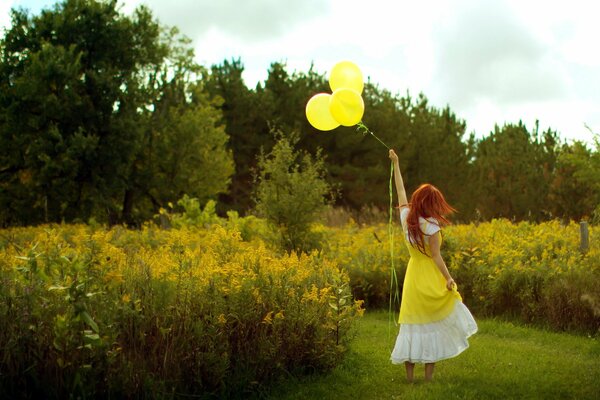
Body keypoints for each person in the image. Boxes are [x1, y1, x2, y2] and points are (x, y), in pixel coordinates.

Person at [388, 149, 477, 383]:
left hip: (412, 275)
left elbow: (400, 190)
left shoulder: (406, 217)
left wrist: (396, 163)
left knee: (410, 324)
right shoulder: (432, 226)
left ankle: (409, 378)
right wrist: (448, 278)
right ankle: (427, 379)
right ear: (432, 204)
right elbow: (436, 257)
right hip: (429, 275)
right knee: (431, 324)